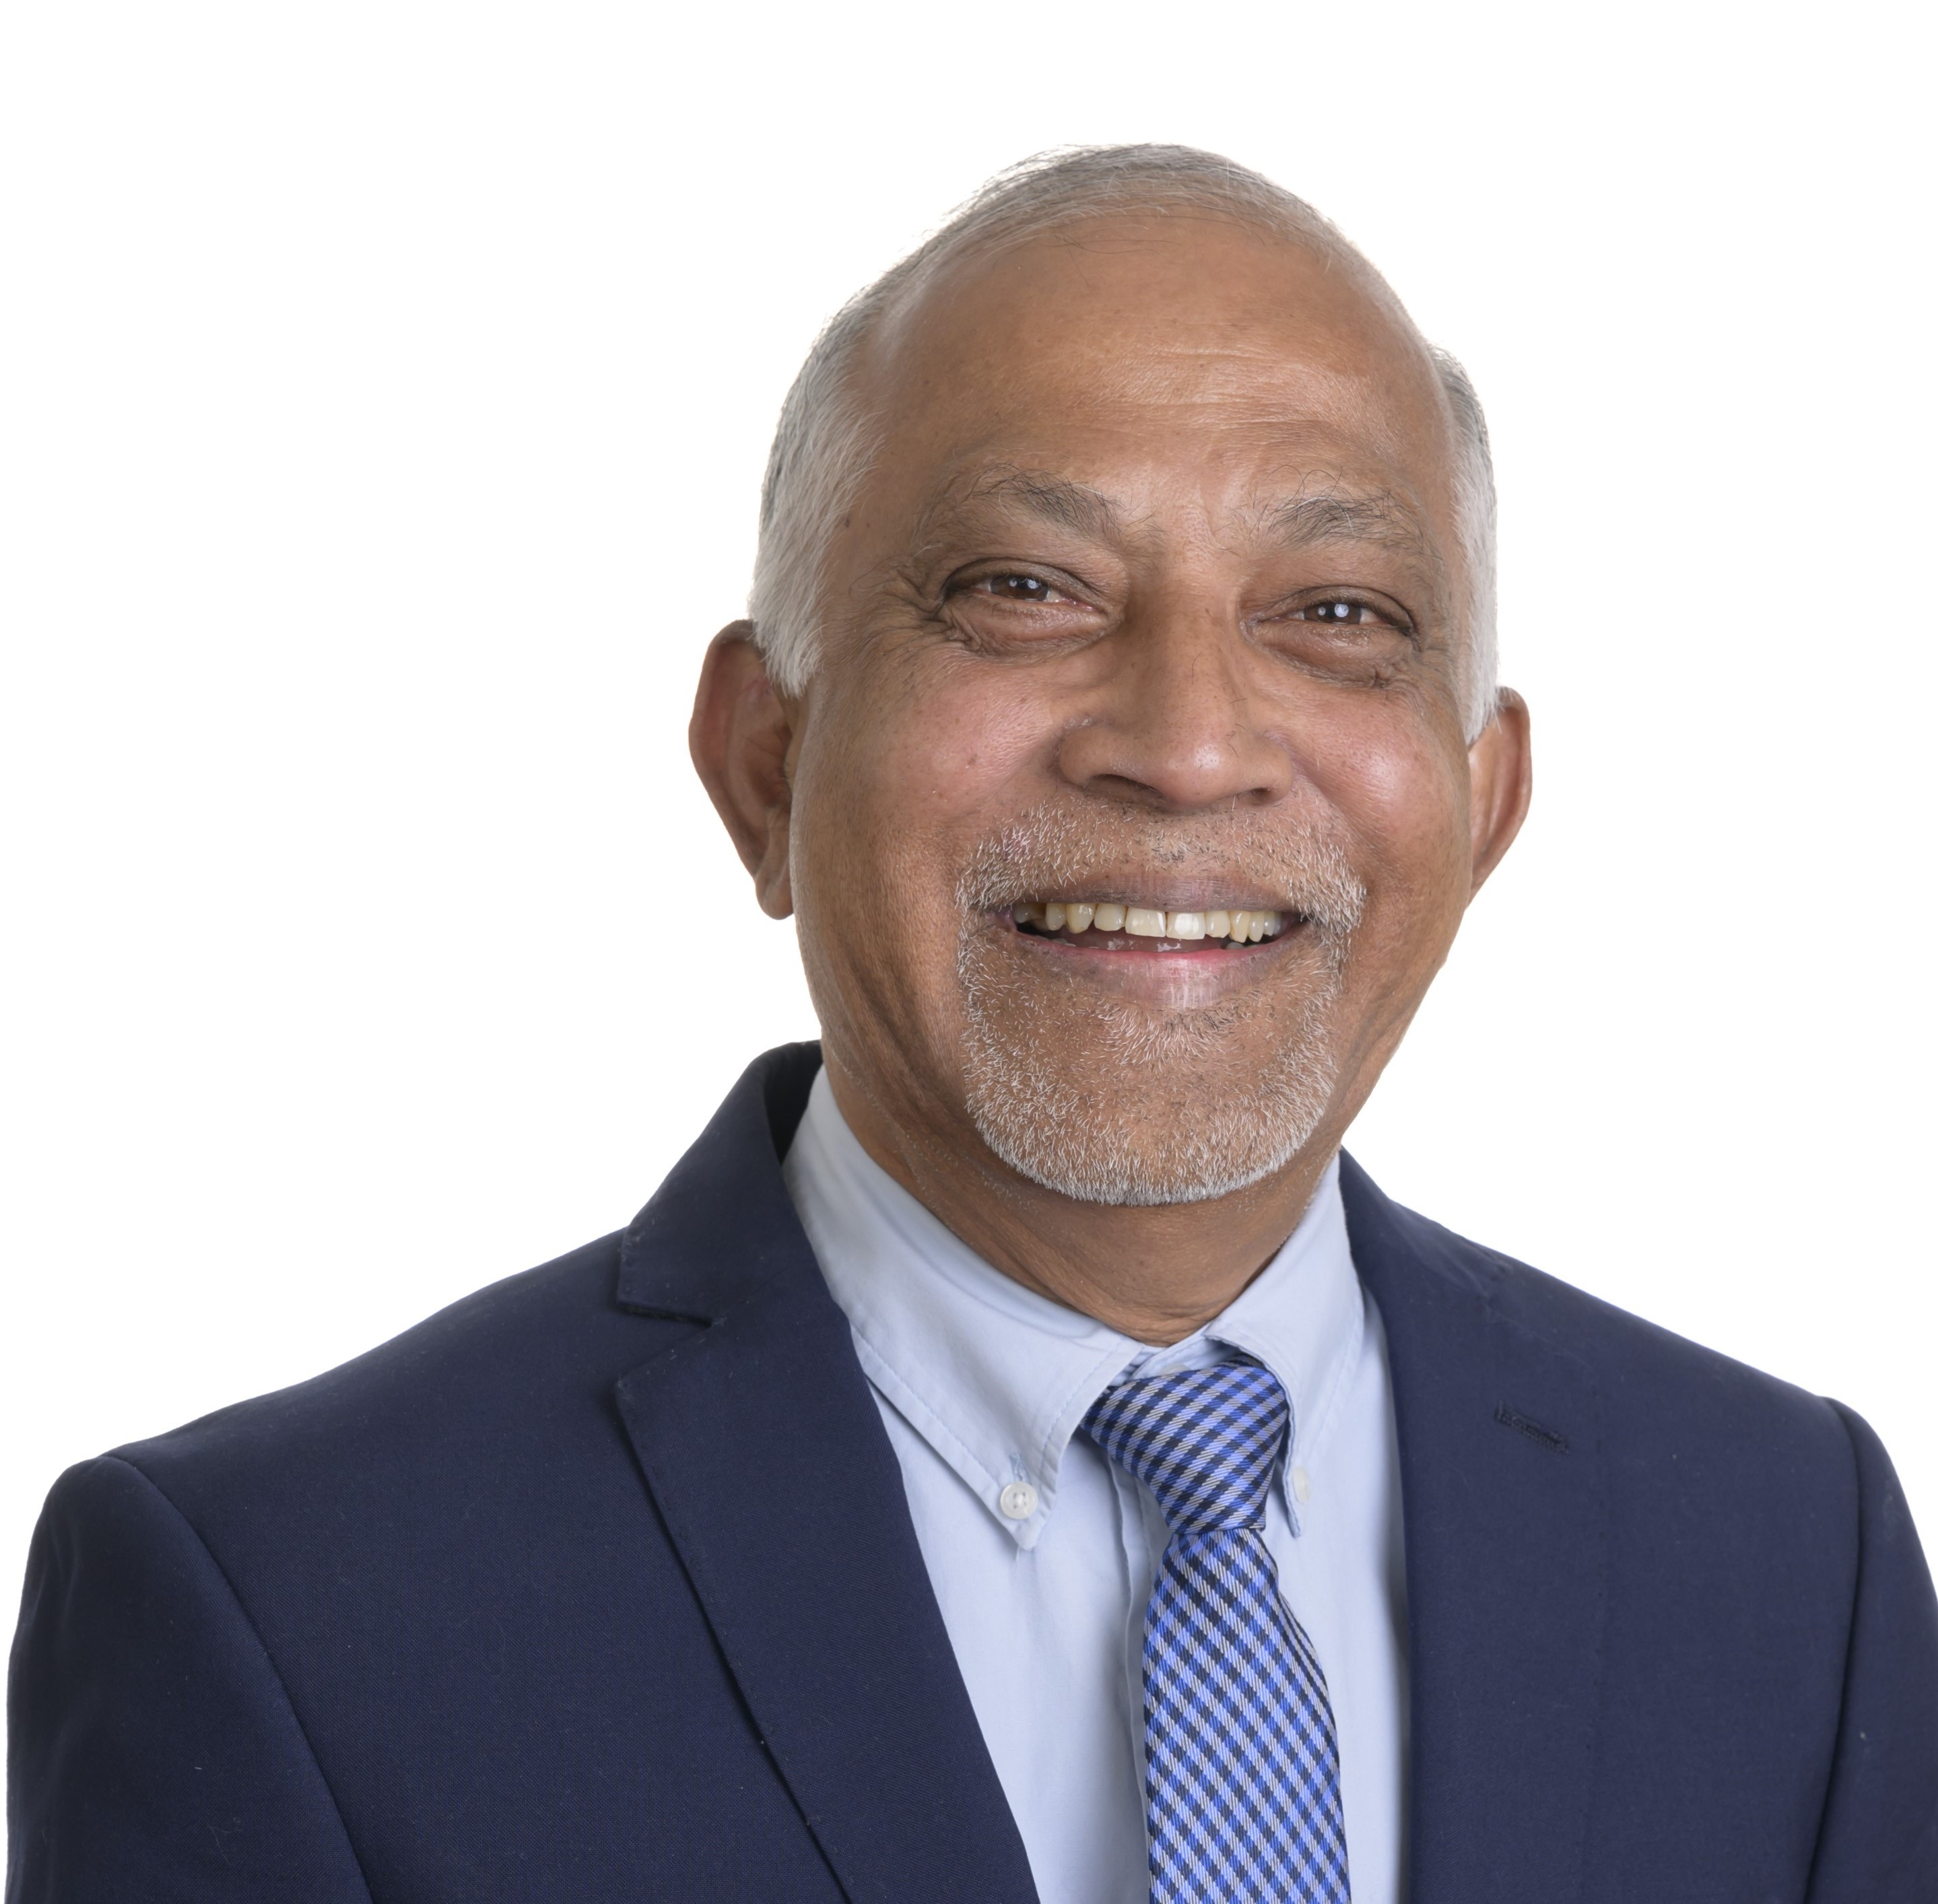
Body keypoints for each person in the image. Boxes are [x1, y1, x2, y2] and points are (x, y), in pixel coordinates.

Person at [9, 145, 1935, 1904]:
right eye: (1025, 590)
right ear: (764, 763)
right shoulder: (286, 1607)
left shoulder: (1793, 1556)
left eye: (1339, 613)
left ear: (1485, 804)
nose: (1189, 745)